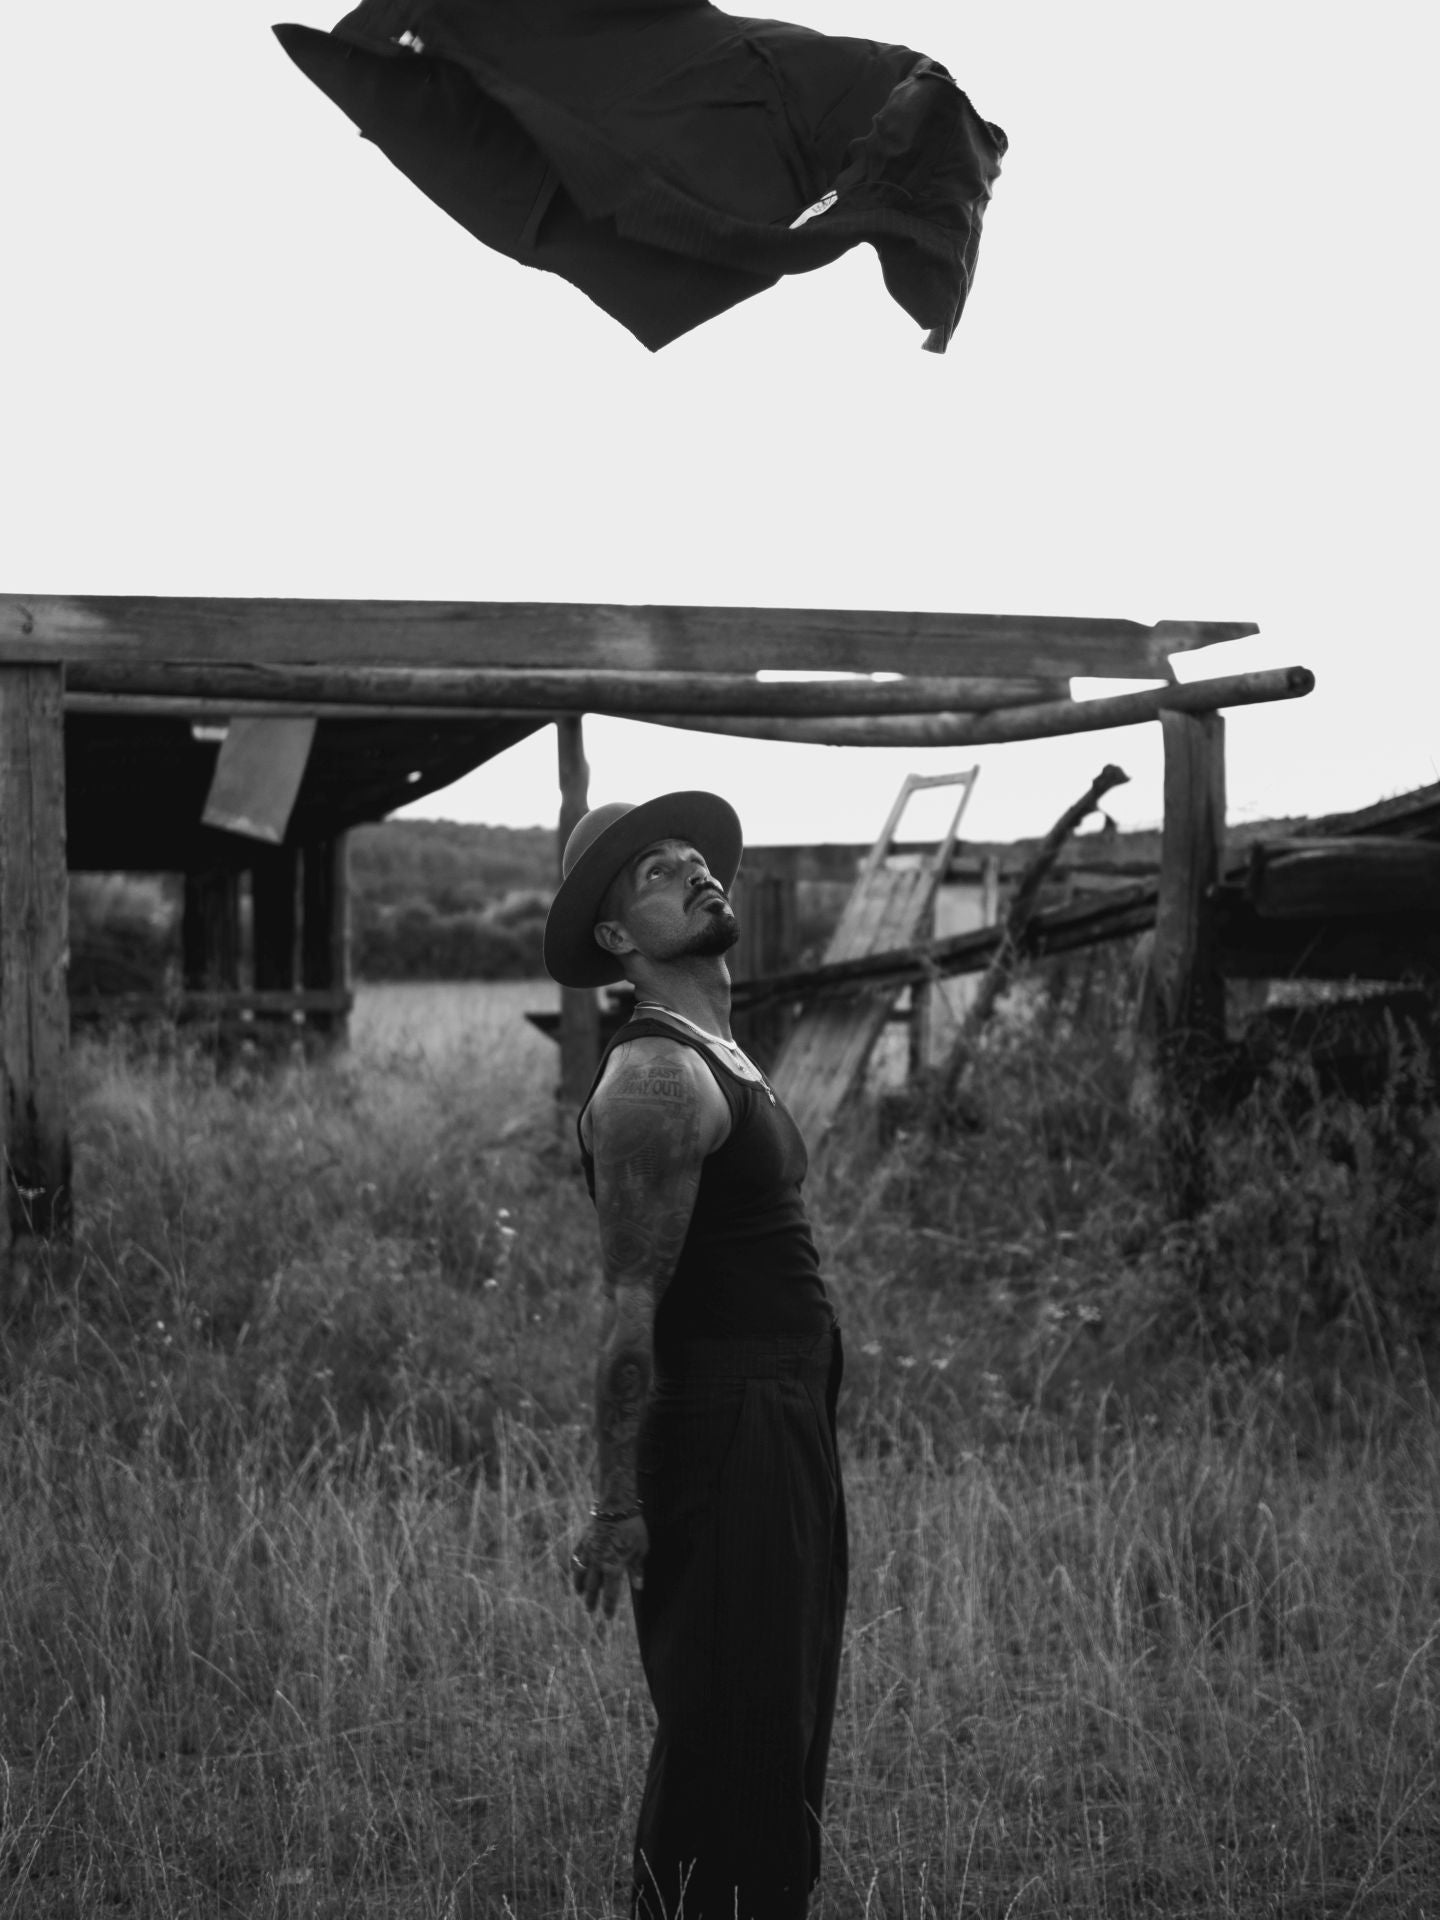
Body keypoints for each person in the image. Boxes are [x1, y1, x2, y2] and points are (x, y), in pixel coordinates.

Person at [544, 791, 847, 1920]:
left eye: (695, 863)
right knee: (730, 1728)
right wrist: (617, 1503)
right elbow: (631, 1308)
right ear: (618, 940)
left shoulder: (720, 1051)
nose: (697, 874)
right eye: (658, 874)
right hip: (726, 1426)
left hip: (783, 1417)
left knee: (781, 1724)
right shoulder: (657, 1080)